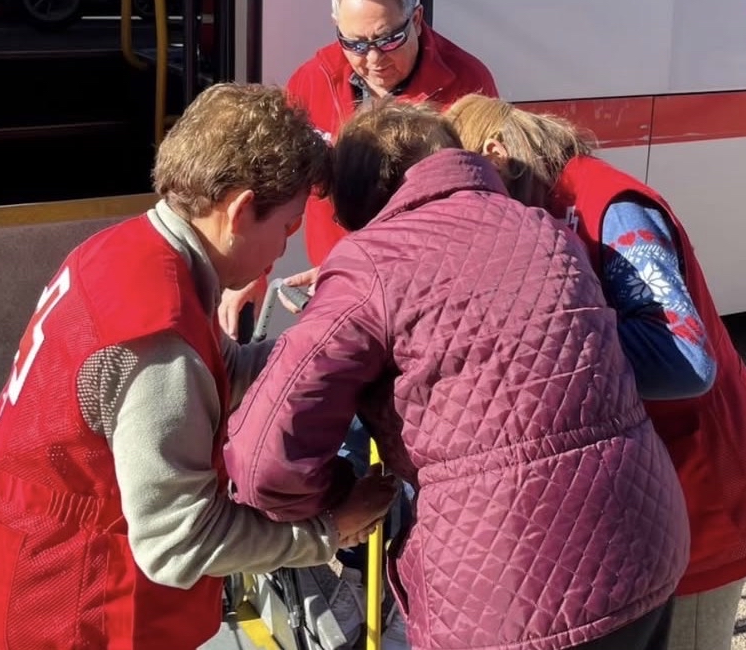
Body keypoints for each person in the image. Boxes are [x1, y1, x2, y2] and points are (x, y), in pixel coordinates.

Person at [0, 84, 398, 650]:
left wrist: (333, 354)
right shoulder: (159, 345)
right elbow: (177, 544)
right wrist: (326, 533)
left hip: (6, 570)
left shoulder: (126, 250)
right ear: (238, 211)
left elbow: (224, 369)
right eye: (285, 228)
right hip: (66, 615)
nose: (283, 253)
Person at [225, 99, 689, 650]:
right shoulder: (543, 228)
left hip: (509, 593)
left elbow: (264, 461)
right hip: (646, 545)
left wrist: (340, 502)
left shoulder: (368, 262)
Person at [445, 95, 746, 650]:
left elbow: (684, 359)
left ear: (495, 154)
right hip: (642, 500)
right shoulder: (537, 204)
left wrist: (542, 334)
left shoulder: (610, 205)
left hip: (699, 491)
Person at [217, 0, 497, 337]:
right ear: (337, 28)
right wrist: (252, 270)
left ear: (417, 19)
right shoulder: (313, 78)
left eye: (390, 39)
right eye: (356, 43)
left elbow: (482, 210)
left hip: (425, 297)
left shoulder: (467, 82)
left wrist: (371, 271)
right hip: (337, 287)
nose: (373, 59)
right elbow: (278, 181)